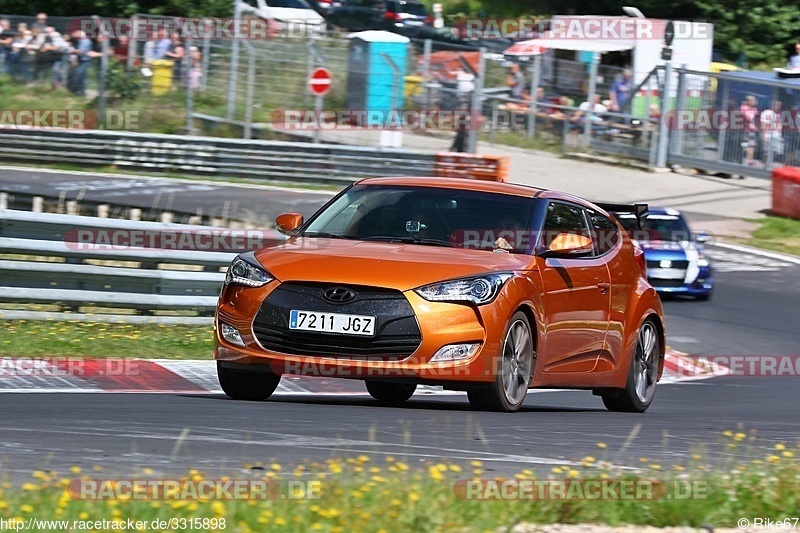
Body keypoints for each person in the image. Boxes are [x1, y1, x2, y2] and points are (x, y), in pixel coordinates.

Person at [739, 95, 759, 165]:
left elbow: (756, 119)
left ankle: (750, 160)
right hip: (744, 130)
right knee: (743, 145)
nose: (754, 102)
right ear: (748, 101)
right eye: (753, 100)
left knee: (752, 145)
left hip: (752, 131)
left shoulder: (754, 109)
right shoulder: (743, 108)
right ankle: (740, 159)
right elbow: (744, 118)